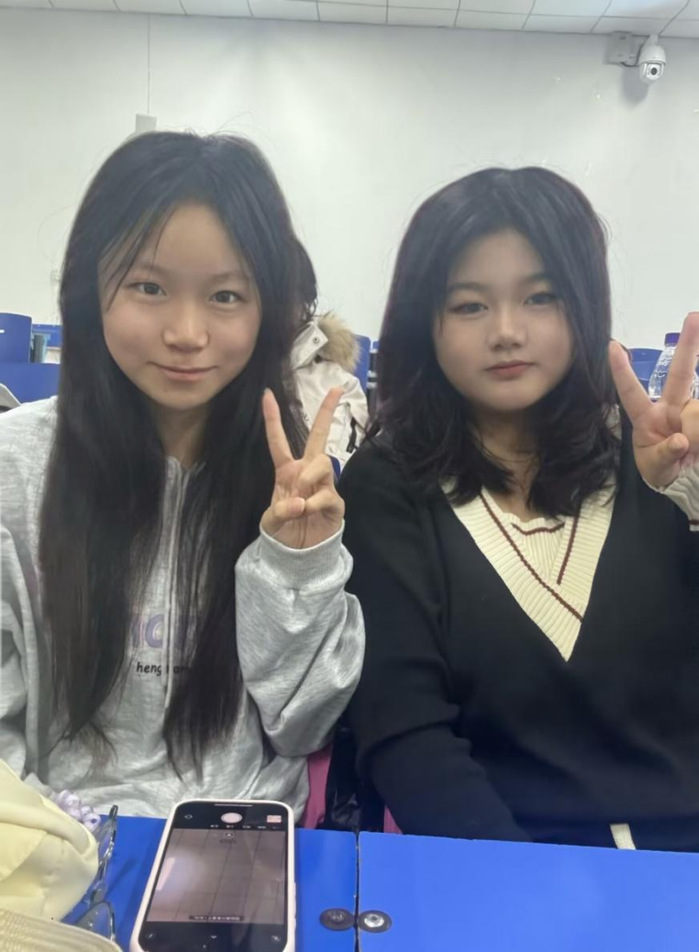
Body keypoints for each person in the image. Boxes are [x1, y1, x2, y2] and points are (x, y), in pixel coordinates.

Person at [0, 131, 364, 819]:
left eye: (226, 295)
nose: (187, 333)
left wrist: (298, 565)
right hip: (58, 836)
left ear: (267, 311)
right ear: (90, 292)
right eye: (149, 287)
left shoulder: (289, 478)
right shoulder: (13, 467)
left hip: (247, 829)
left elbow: (303, 727)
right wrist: (57, 846)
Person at [341, 167, 699, 851]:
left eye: (540, 298)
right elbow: (405, 730)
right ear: (425, 322)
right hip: (500, 863)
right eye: (469, 306)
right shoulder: (388, 486)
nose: (506, 332)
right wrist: (520, 889)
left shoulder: (655, 458)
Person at [292, 243, 368, 470]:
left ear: (305, 301)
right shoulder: (223, 370)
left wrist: (324, 474)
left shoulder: (338, 384)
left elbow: (341, 468)